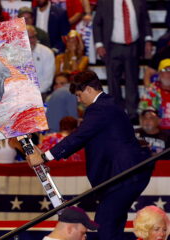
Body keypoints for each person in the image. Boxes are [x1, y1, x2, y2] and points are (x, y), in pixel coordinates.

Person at [27, 70, 154, 240]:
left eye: (79, 95)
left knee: (105, 226)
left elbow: (79, 136)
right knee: (112, 226)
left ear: (88, 89)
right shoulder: (110, 105)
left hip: (123, 176)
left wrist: (43, 157)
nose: (79, 101)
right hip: (126, 176)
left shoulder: (99, 108)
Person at [93, 0, 153, 124]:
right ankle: (117, 112)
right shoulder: (105, 2)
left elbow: (145, 20)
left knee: (132, 80)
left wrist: (148, 40)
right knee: (113, 82)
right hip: (112, 46)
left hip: (133, 45)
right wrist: (99, 44)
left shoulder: (138, 1)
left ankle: (132, 113)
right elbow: (97, 23)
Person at [139, 59, 170, 131]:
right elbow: (143, 112)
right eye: (165, 70)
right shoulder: (151, 90)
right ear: (159, 74)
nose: (169, 73)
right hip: (158, 131)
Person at [26, 25, 55, 95]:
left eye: (33, 37)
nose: (32, 40)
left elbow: (47, 81)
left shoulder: (47, 52)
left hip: (41, 93)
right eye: (29, 38)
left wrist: (33, 93)